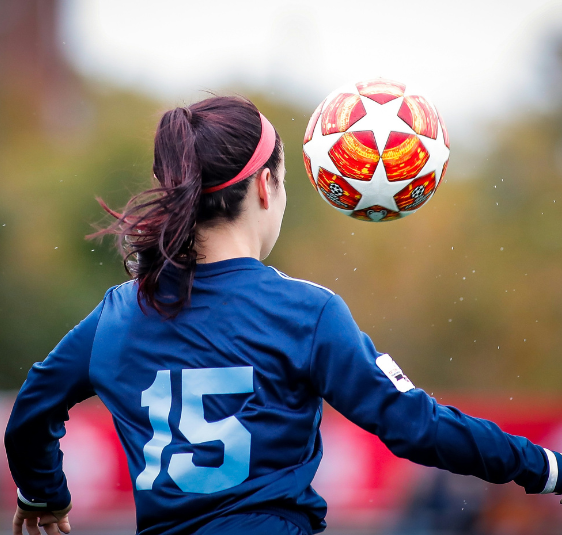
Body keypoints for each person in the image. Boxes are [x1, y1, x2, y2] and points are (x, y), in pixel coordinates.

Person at [4, 96, 562, 535]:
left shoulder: (118, 315)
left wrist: (42, 493)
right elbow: (415, 426)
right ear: (266, 188)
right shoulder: (306, 313)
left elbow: (29, 413)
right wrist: (543, 466)